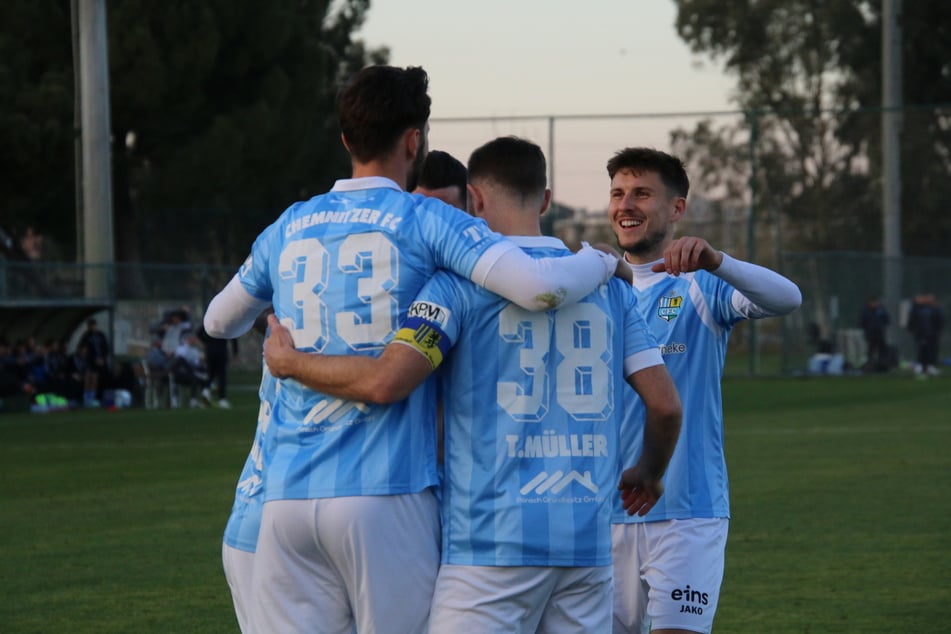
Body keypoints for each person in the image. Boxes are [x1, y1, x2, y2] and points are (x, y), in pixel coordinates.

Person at [202, 65, 623, 634]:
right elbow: (537, 288)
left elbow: (219, 321)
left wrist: (285, 328)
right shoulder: (427, 219)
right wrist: (599, 260)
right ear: (413, 141)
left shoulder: (290, 224)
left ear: (346, 139)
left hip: (286, 497)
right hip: (386, 492)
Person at [263, 135, 682, 631]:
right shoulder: (611, 288)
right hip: (586, 546)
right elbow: (665, 406)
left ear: (474, 200)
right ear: (545, 200)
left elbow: (391, 377)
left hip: (489, 546)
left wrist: (291, 362)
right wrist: (648, 472)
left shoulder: (456, 285)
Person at [605, 147, 802, 634]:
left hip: (687, 513)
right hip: (601, 515)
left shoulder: (701, 285)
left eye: (641, 193)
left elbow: (787, 299)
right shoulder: (596, 290)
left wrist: (718, 262)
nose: (625, 205)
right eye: (618, 193)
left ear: (677, 208)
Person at [907, 292, 944, 378]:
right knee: (921, 350)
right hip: (921, 334)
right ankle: (920, 367)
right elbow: (911, 323)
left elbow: (939, 321)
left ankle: (930, 367)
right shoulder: (916, 309)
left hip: (931, 334)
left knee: (931, 350)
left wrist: (936, 331)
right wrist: (915, 331)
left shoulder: (932, 309)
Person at [77, 318, 109, 407]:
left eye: (93, 325)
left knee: (95, 380)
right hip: (89, 361)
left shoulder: (100, 335)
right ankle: (86, 399)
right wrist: (85, 354)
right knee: (88, 379)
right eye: (90, 326)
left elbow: (106, 348)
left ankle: (91, 399)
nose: (91, 327)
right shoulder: (86, 336)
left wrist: (102, 359)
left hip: (99, 361)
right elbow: (81, 348)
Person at [859, 296, 891, 372]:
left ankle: (882, 366)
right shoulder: (865, 311)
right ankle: (870, 367)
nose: (875, 304)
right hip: (870, 334)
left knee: (882, 350)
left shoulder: (881, 310)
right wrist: (867, 329)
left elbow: (887, 320)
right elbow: (861, 322)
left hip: (880, 334)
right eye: (873, 302)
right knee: (871, 351)